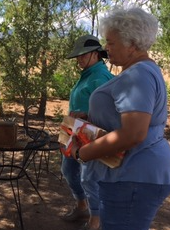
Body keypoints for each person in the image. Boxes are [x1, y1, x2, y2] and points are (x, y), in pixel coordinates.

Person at [69, 7, 170, 230]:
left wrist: (83, 153)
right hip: (132, 172)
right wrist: (90, 117)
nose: (106, 49)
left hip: (134, 174)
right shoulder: (141, 71)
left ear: (133, 43)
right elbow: (130, 119)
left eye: (111, 43)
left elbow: (133, 133)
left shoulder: (137, 74)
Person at [61, 35, 114, 230]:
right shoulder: (88, 74)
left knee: (89, 178)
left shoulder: (101, 78)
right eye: (77, 56)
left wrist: (86, 115)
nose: (79, 59)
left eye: (82, 55)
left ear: (95, 54)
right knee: (68, 170)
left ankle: (96, 219)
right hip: (75, 133)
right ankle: (81, 205)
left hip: (91, 135)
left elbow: (109, 112)